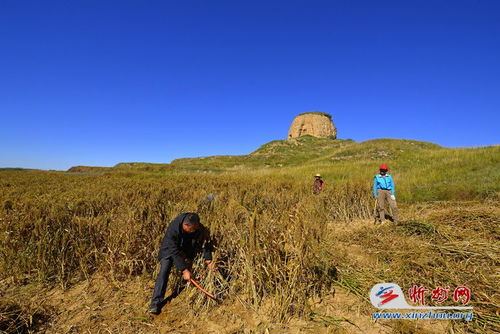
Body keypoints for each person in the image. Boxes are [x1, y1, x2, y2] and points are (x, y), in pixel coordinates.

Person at [148, 212, 215, 314]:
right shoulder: (173, 228)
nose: (194, 230)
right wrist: (184, 270)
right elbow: (173, 251)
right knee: (164, 270)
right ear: (185, 225)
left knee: (191, 262)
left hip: (187, 247)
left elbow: (204, 243)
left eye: (196, 228)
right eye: (192, 229)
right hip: (169, 250)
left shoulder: (197, 227)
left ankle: (187, 288)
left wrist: (208, 259)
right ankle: (155, 303)